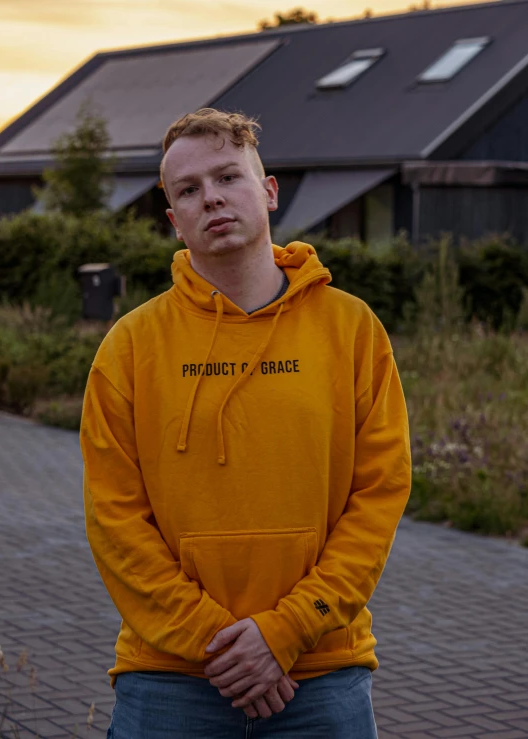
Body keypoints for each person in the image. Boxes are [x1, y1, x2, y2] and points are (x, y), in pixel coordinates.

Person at [80, 107, 411, 738]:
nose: (212, 198)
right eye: (189, 190)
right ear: (175, 222)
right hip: (170, 674)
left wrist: (285, 630)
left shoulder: (352, 331)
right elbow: (114, 520)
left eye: (228, 177)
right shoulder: (130, 348)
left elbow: (381, 494)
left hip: (321, 668)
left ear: (267, 190)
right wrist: (221, 644)